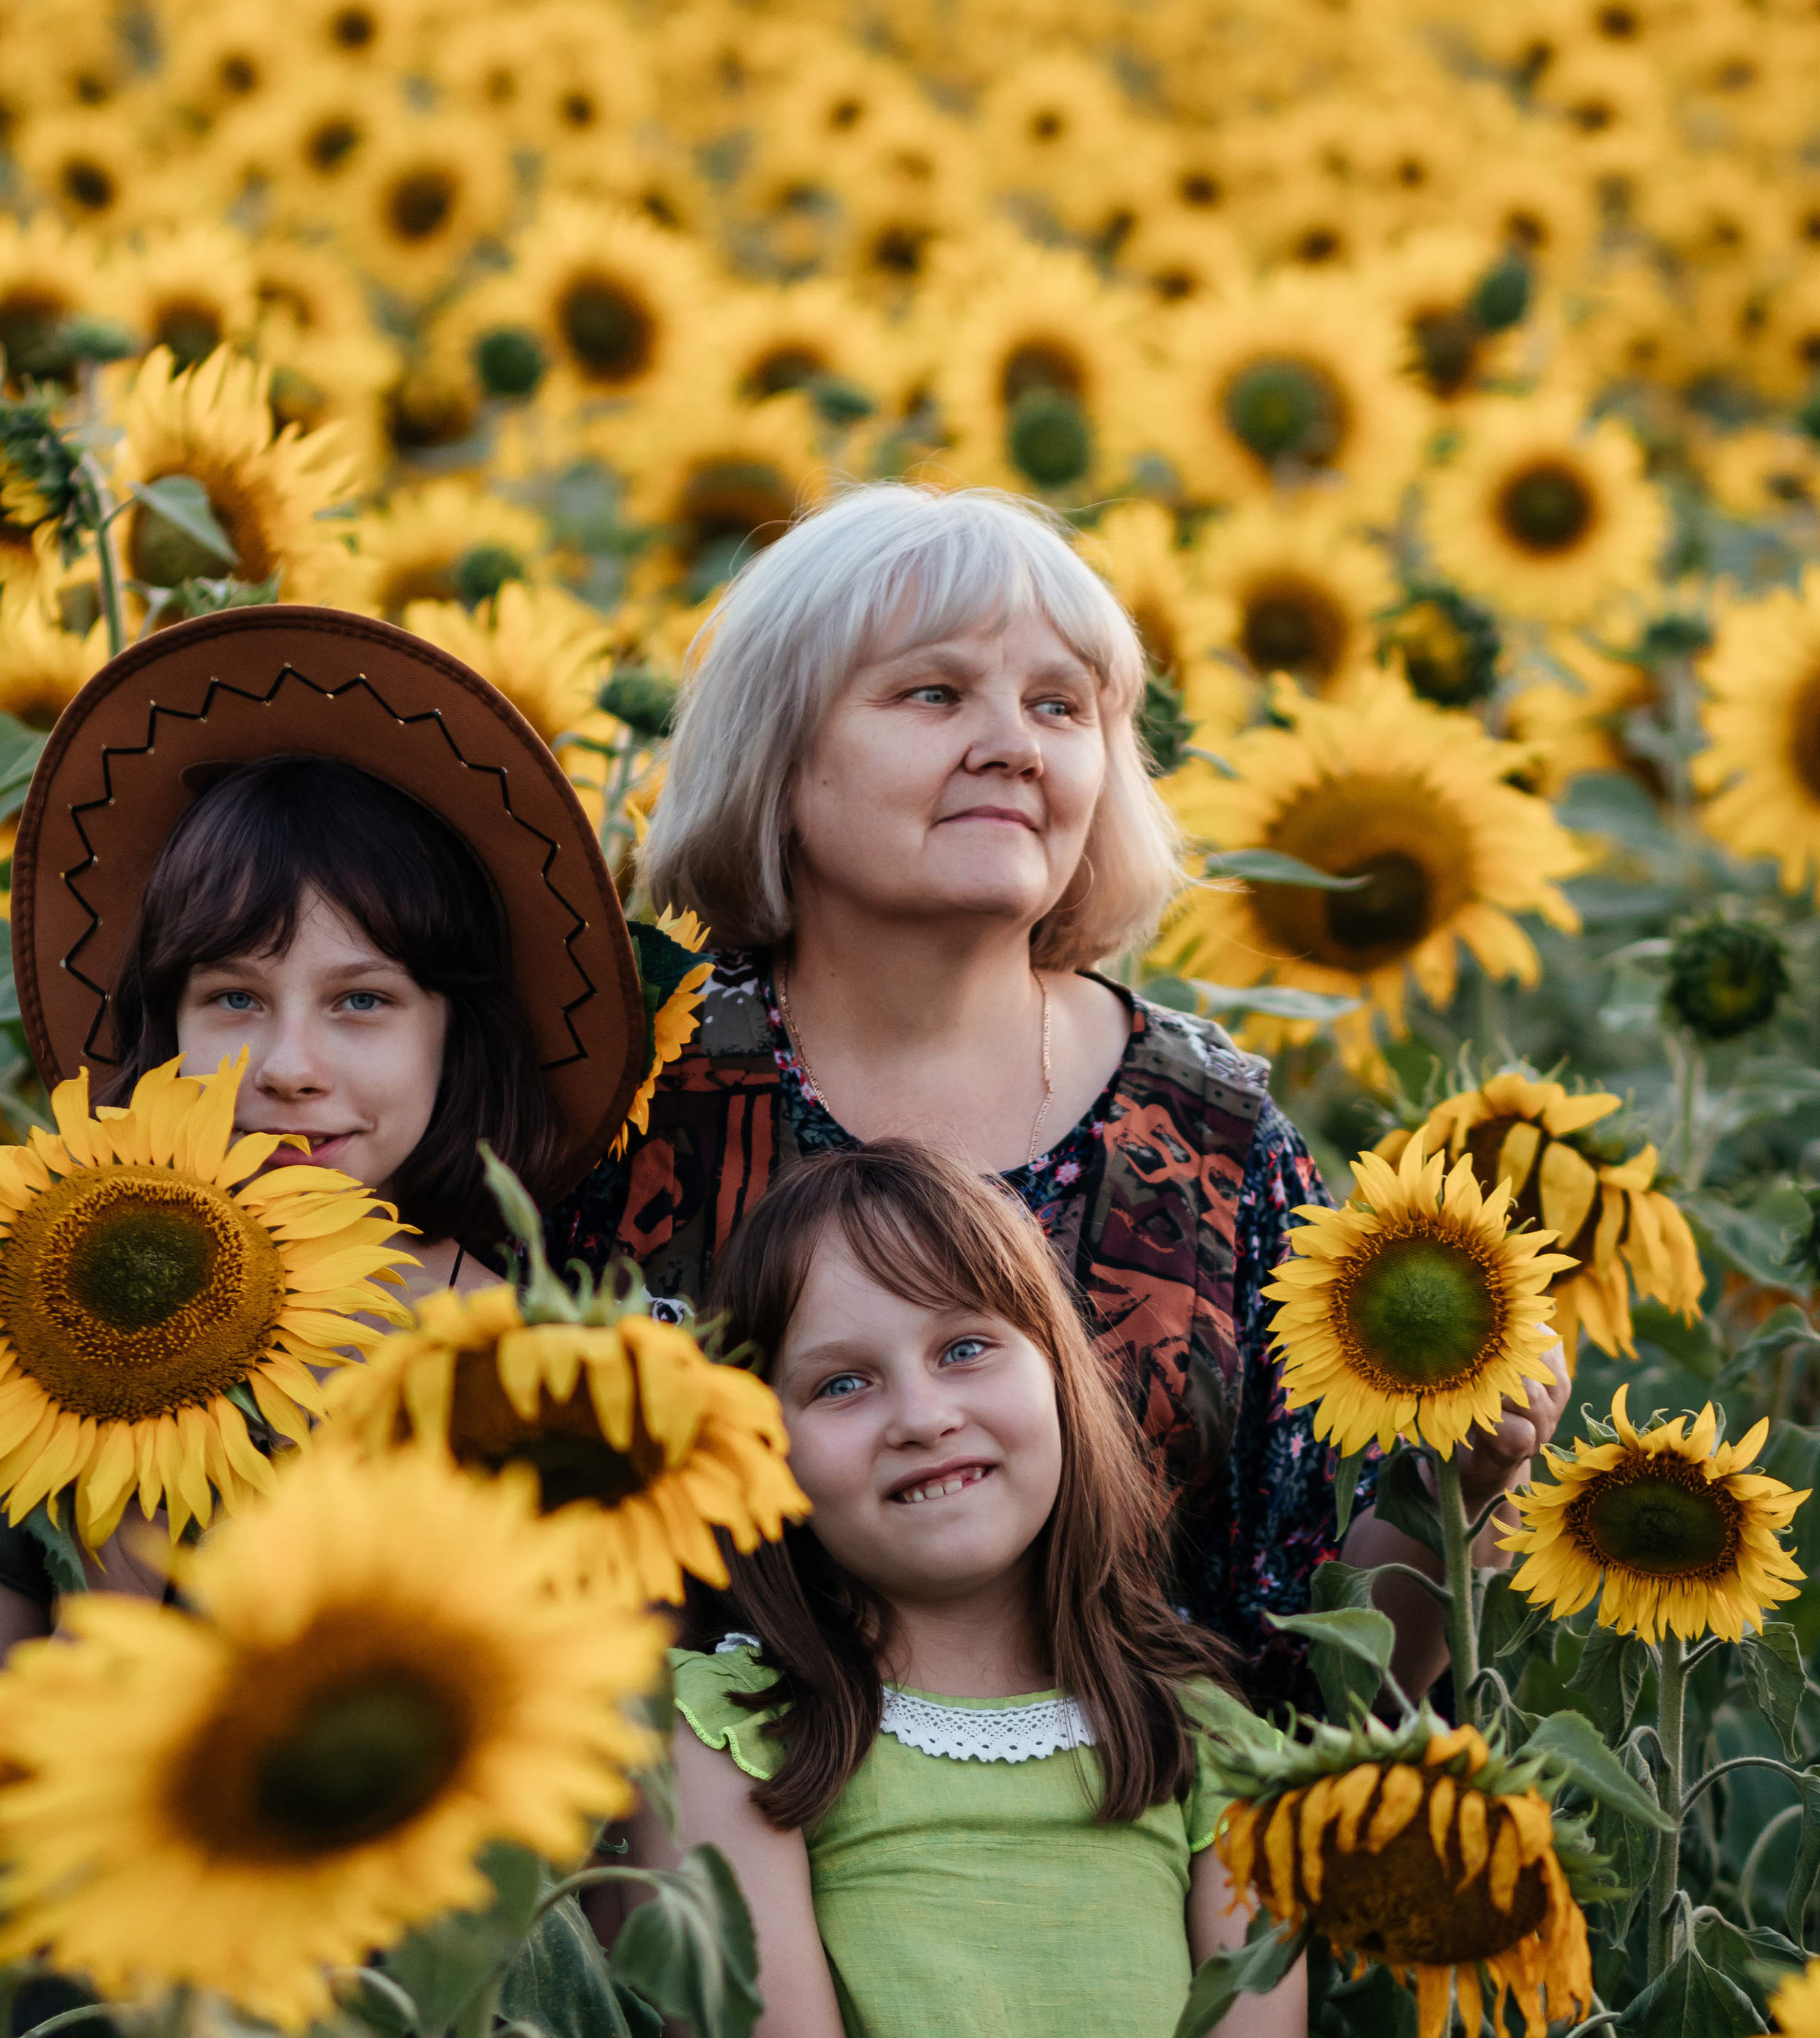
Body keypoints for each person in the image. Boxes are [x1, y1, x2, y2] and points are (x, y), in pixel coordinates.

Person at [559, 484, 1571, 1710]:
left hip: (1140, 1866)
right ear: (777, 756)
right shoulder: (634, 1089)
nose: (1014, 745)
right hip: (712, 1867)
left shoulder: (1216, 1136)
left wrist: (1453, 1493)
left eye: (1060, 706)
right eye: (933, 695)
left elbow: (1320, 1676)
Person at [615, 1141, 1310, 2038]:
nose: (923, 1414)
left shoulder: (1207, 1737)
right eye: (841, 1383)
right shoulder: (729, 1734)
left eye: (967, 1347)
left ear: (1060, 1376)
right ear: (760, 1451)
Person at [0, 602, 644, 1661]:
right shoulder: (26, 1328)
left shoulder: (532, 1368)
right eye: (234, 999)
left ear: (455, 1037)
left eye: (362, 1002)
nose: (289, 1069)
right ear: (164, 1025)